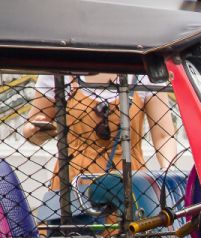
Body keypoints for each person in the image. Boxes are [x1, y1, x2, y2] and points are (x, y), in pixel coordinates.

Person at [21, 73, 176, 223]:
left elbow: (164, 135)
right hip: (74, 187)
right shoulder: (60, 68)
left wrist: (167, 172)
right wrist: (37, 130)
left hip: (129, 185)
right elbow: (31, 128)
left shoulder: (143, 70)